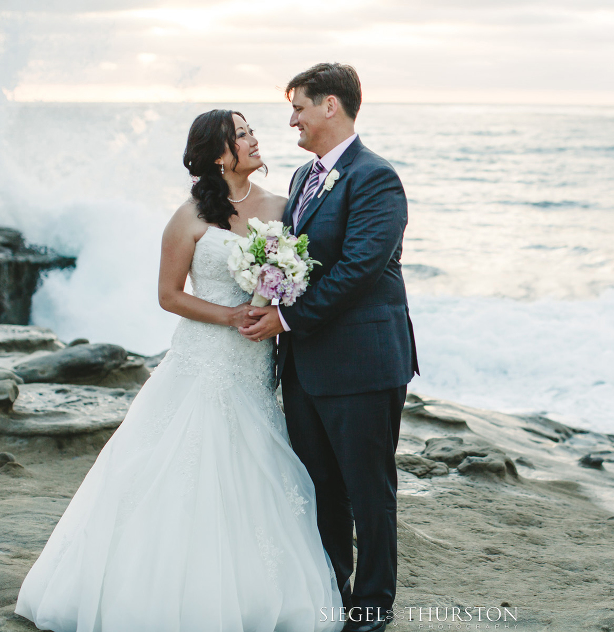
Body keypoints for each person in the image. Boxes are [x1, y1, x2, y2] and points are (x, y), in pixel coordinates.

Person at [14, 109, 344, 632]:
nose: (255, 139)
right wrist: (231, 314)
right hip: (202, 359)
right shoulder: (188, 216)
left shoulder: (283, 209)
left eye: (252, 130)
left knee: (254, 465)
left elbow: (300, 274)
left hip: (255, 364)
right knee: (182, 462)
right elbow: (169, 296)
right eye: (241, 135)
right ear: (217, 154)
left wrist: (275, 306)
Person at [238, 63, 420, 632]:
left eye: (299, 107)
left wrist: (286, 319)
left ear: (331, 106)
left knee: (368, 490)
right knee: (319, 487)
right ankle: (330, 590)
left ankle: (371, 609)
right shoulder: (300, 179)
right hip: (307, 365)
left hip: (363, 362)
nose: (291, 119)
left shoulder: (375, 178)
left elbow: (361, 269)